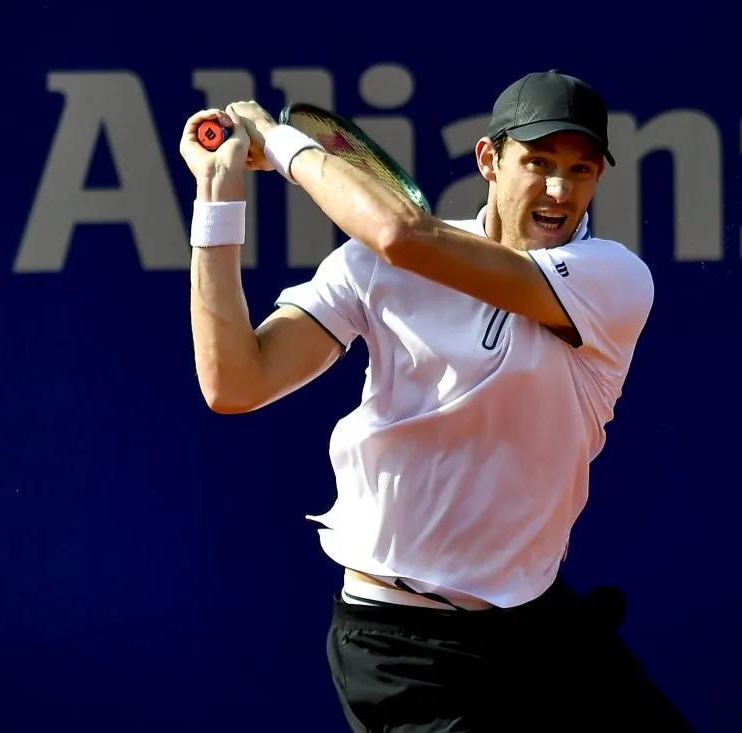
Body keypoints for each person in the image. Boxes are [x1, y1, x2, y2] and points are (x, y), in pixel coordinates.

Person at [179, 70, 694, 732]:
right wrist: (217, 194)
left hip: (538, 627)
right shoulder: (372, 265)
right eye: (538, 163)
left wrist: (280, 144)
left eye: (581, 170)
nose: (560, 191)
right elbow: (235, 383)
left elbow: (402, 236)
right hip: (402, 650)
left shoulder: (613, 277)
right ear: (489, 160)